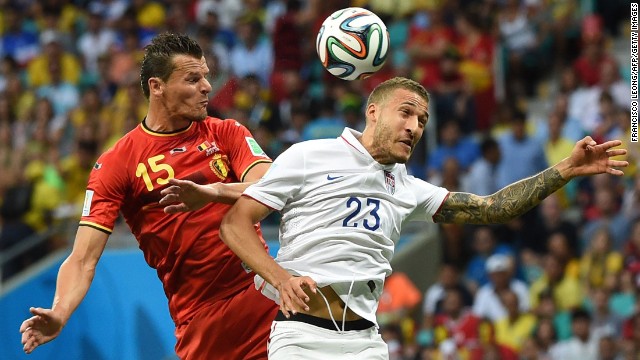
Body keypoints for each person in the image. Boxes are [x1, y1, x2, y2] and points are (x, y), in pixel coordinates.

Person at [218, 76, 625, 359]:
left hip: (365, 345)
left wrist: (564, 171)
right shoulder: (309, 155)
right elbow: (235, 222)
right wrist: (280, 278)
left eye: (423, 121)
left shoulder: (408, 187)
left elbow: (492, 208)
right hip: (301, 338)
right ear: (373, 112)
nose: (415, 127)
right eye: (407, 113)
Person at [19, 33, 278, 359]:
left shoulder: (226, 133)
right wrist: (60, 311)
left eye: (206, 77)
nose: (207, 87)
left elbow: (273, 186)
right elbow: (83, 258)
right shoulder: (118, 163)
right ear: (157, 86)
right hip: (201, 320)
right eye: (193, 79)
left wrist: (213, 192)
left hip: (261, 294)